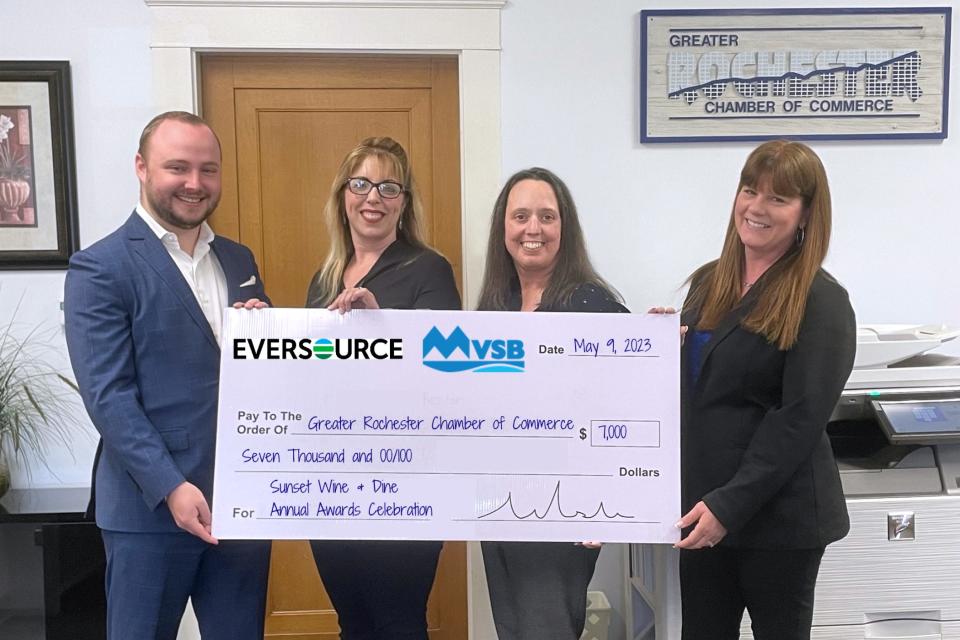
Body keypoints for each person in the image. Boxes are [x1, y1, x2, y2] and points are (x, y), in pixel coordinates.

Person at [64, 111, 271, 640]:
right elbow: (109, 397)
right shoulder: (101, 266)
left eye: (208, 169)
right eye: (177, 167)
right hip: (148, 509)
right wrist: (172, 486)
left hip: (240, 501)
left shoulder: (238, 258)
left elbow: (264, 372)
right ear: (141, 167)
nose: (195, 184)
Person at [676, 140, 856, 640]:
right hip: (702, 509)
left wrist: (728, 507)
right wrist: (657, 348)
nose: (756, 207)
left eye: (777, 198)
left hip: (777, 521)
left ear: (804, 215)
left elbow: (797, 420)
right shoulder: (709, 283)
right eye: (750, 190)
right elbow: (699, 392)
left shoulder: (821, 300)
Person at [305, 136, 461, 639]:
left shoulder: (429, 269)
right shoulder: (323, 279)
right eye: (361, 184)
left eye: (388, 187)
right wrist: (259, 332)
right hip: (331, 480)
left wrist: (386, 329)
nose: (373, 197)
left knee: (398, 622)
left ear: (404, 202)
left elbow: (447, 376)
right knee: (352, 621)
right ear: (343, 196)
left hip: (405, 483)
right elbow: (308, 373)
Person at [477, 167, 628, 640]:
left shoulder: (589, 302)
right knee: (514, 628)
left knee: (546, 629)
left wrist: (612, 501)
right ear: (504, 227)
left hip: (561, 509)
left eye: (547, 216)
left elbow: (630, 400)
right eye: (520, 216)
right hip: (499, 503)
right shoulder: (495, 307)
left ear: (566, 229)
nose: (533, 229)